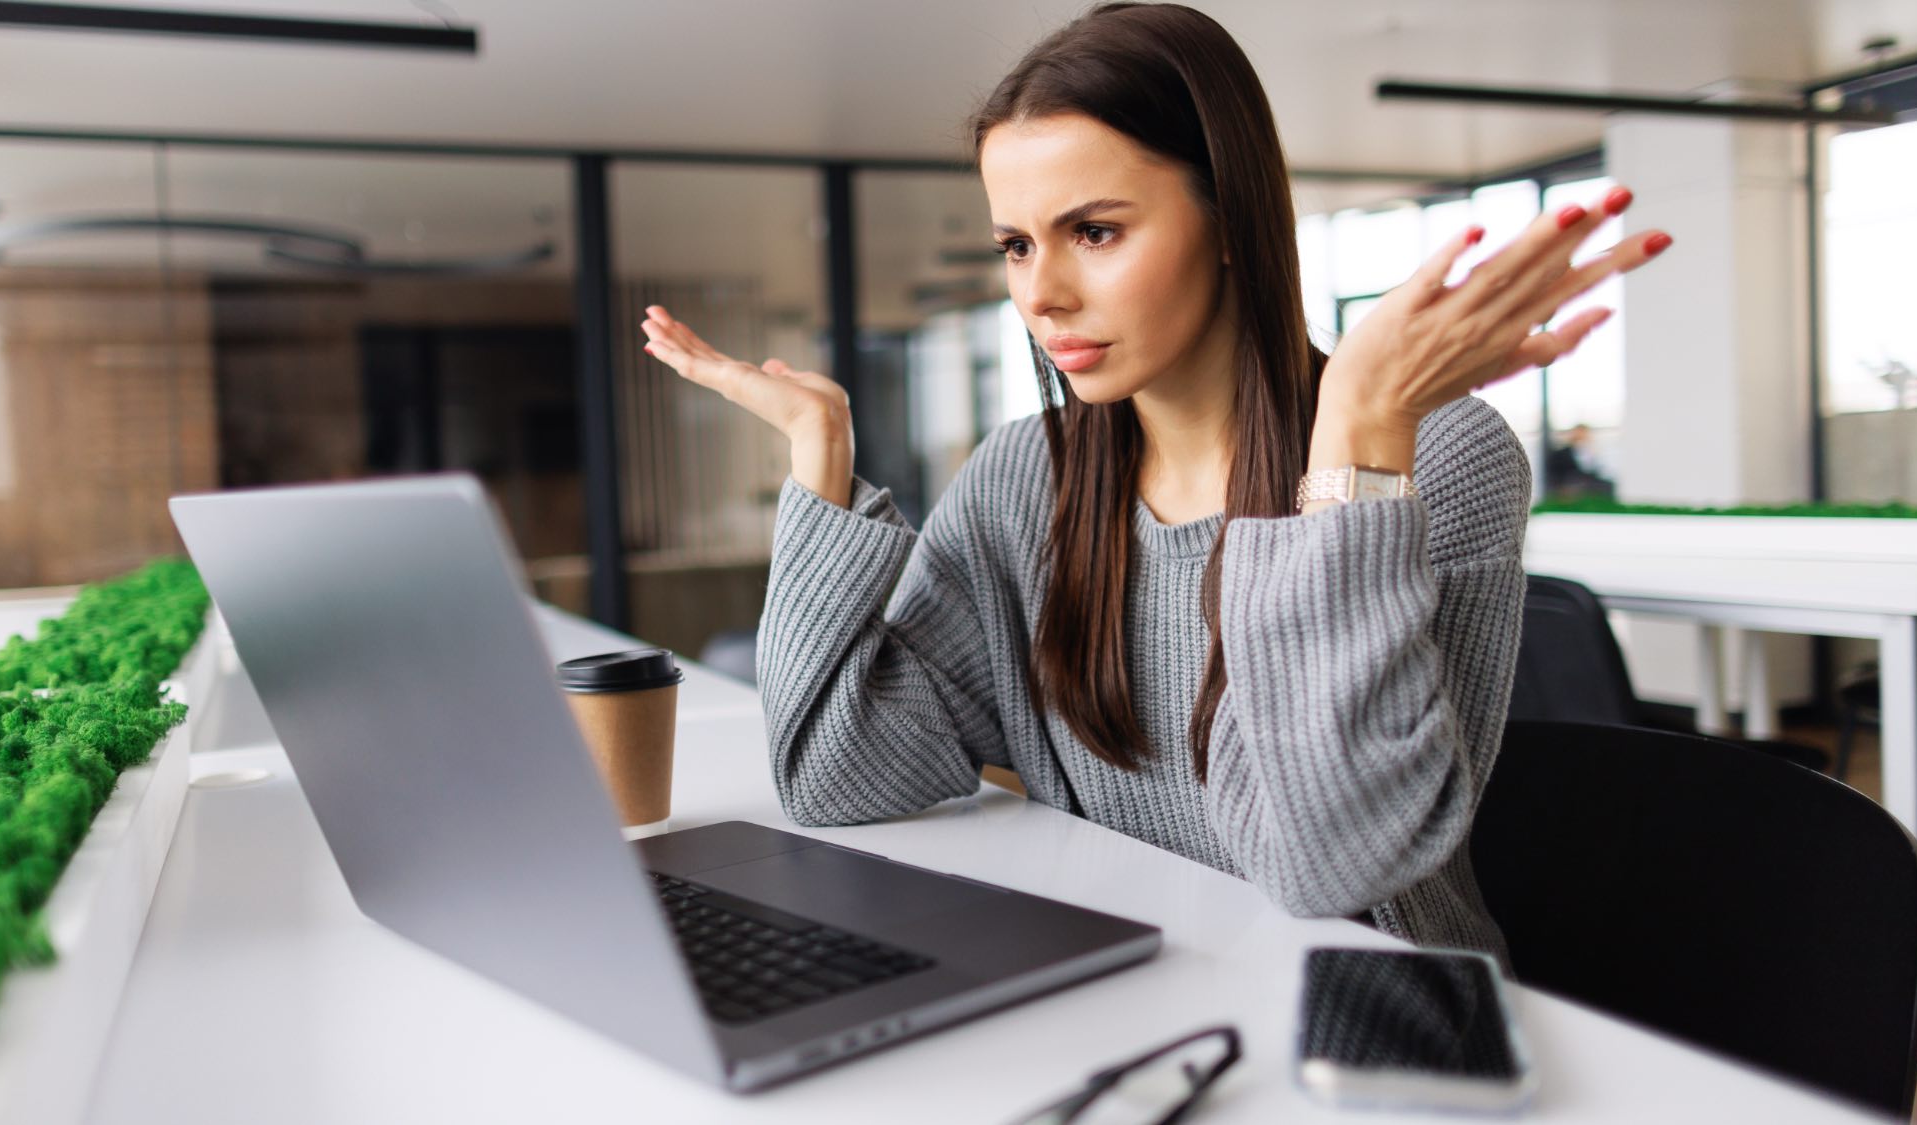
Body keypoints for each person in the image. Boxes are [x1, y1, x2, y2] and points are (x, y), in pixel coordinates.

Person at [638, 2, 1670, 960]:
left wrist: (1352, 436)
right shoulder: (1021, 478)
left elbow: (1333, 865)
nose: (1041, 294)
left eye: (1094, 232)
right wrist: (820, 467)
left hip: (1368, 1013)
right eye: (1014, 245)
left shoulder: (1432, 455)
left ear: (1228, 221)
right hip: (1128, 979)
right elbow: (832, 778)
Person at [1544, 424, 1617, 498]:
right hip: (1571, 483)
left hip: (1586, 482)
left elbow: (1593, 470)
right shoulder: (1561, 453)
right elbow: (1556, 473)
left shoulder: (1590, 451)